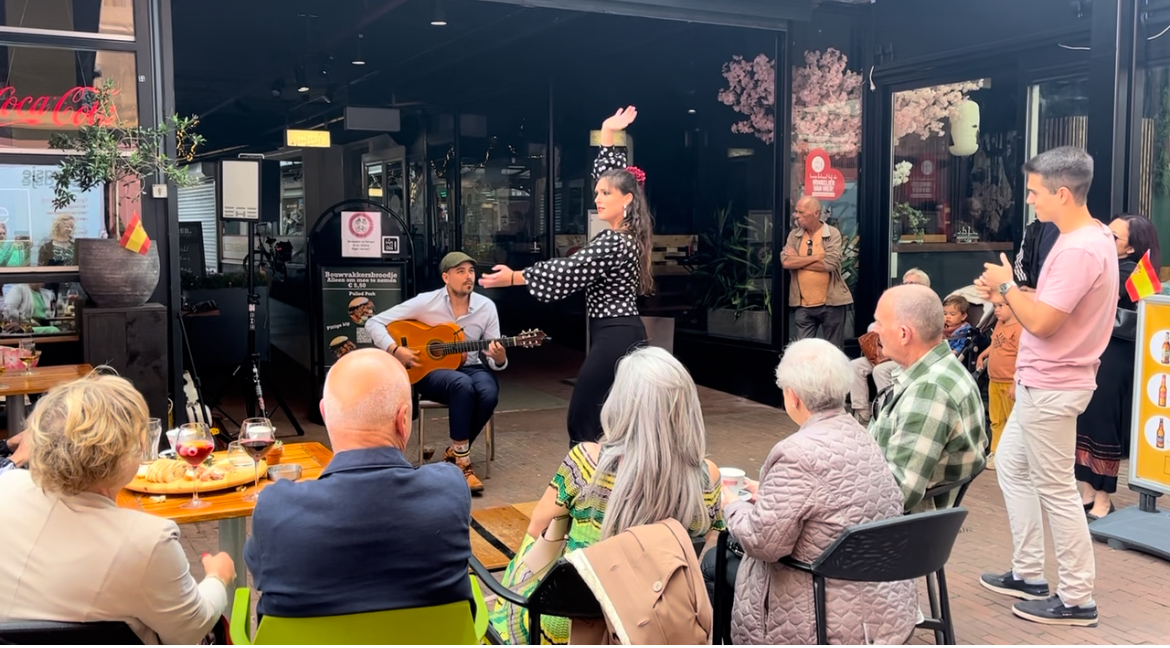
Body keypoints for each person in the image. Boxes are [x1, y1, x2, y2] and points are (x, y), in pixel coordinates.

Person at [489, 346, 724, 644]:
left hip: (570, 621)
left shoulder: (586, 462)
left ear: (621, 403)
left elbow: (537, 530)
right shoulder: (708, 476)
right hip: (655, 620)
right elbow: (711, 547)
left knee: (537, 541)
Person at [975, 146, 1115, 627]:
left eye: (1035, 193)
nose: (1030, 200)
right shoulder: (1086, 237)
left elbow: (1046, 323)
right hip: (1049, 381)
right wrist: (1011, 294)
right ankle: (1030, 571)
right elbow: (1053, 307)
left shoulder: (1078, 247)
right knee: (1012, 466)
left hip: (1053, 385)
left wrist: (1009, 288)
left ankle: (1077, 598)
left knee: (1056, 488)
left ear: (1061, 193)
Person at [0, 373, 234, 644]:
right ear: (124, 455)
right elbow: (189, 630)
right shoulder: (148, 541)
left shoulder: (6, 486)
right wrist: (218, 576)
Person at [716, 339, 917, 645]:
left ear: (792, 396)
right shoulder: (861, 434)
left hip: (820, 603)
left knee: (713, 564)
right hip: (880, 598)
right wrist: (768, 492)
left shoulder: (795, 452)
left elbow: (763, 543)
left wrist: (732, 505)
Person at [245, 349, 473, 619]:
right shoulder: (450, 487)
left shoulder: (275, 506)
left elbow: (262, 574)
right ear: (403, 420)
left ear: (325, 414)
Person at [478, 106, 653, 446]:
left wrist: (515, 277)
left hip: (616, 334)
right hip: (618, 331)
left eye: (606, 194)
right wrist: (606, 133)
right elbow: (610, 177)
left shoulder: (616, 241)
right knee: (607, 417)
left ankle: (586, 485)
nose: (598, 198)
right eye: (597, 193)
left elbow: (571, 269)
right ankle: (605, 484)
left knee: (584, 416)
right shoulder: (629, 233)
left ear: (628, 200)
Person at [366, 251, 506, 493]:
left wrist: (500, 359)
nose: (468, 277)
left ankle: (455, 452)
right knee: (461, 385)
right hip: (428, 372)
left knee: (488, 392)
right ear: (446, 277)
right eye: (460, 272)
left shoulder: (486, 307)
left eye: (470, 271)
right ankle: (462, 464)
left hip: (471, 365)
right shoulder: (425, 302)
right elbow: (373, 322)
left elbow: (494, 356)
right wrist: (396, 349)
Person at [870, 284, 986, 511]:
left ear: (904, 334)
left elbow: (898, 492)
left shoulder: (930, 391)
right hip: (899, 525)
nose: (874, 329)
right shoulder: (936, 371)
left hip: (893, 533)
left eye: (880, 323)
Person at [1075, 214, 1159, 519]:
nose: (1105, 240)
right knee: (1085, 420)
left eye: (1114, 237)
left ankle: (1103, 498)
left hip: (1115, 355)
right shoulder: (1107, 267)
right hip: (1096, 351)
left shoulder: (1132, 274)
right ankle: (1086, 490)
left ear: (1131, 248)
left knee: (1102, 425)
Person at [850, 269, 930, 423]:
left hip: (906, 356)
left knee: (880, 370)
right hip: (885, 352)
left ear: (926, 287)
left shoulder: (927, 308)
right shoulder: (897, 304)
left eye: (914, 284)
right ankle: (862, 413)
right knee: (855, 365)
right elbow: (878, 323)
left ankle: (887, 412)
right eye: (906, 283)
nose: (908, 287)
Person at [781, 196, 854, 348]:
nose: (797, 216)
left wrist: (798, 261)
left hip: (831, 304)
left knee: (833, 351)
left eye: (801, 213)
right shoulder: (794, 235)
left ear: (816, 213)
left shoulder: (832, 233)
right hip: (803, 304)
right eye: (796, 212)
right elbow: (786, 262)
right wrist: (815, 257)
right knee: (803, 352)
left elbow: (830, 264)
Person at [976, 301, 1022, 471]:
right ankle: (996, 451)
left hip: (1009, 381)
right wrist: (983, 354)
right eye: (995, 306)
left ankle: (1011, 455)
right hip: (994, 379)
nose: (997, 310)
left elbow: (1022, 356)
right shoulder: (999, 324)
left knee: (1011, 421)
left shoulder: (1019, 328)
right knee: (996, 420)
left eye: (1001, 306)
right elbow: (995, 343)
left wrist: (1016, 382)